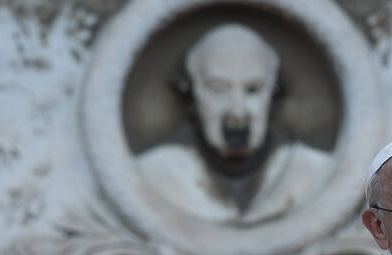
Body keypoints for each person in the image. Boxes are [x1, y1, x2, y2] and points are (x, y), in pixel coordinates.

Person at [137, 24, 331, 224]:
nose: (237, 113)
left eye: (253, 89)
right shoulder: (154, 176)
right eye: (218, 89)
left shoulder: (313, 173)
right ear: (191, 92)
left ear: (273, 92)